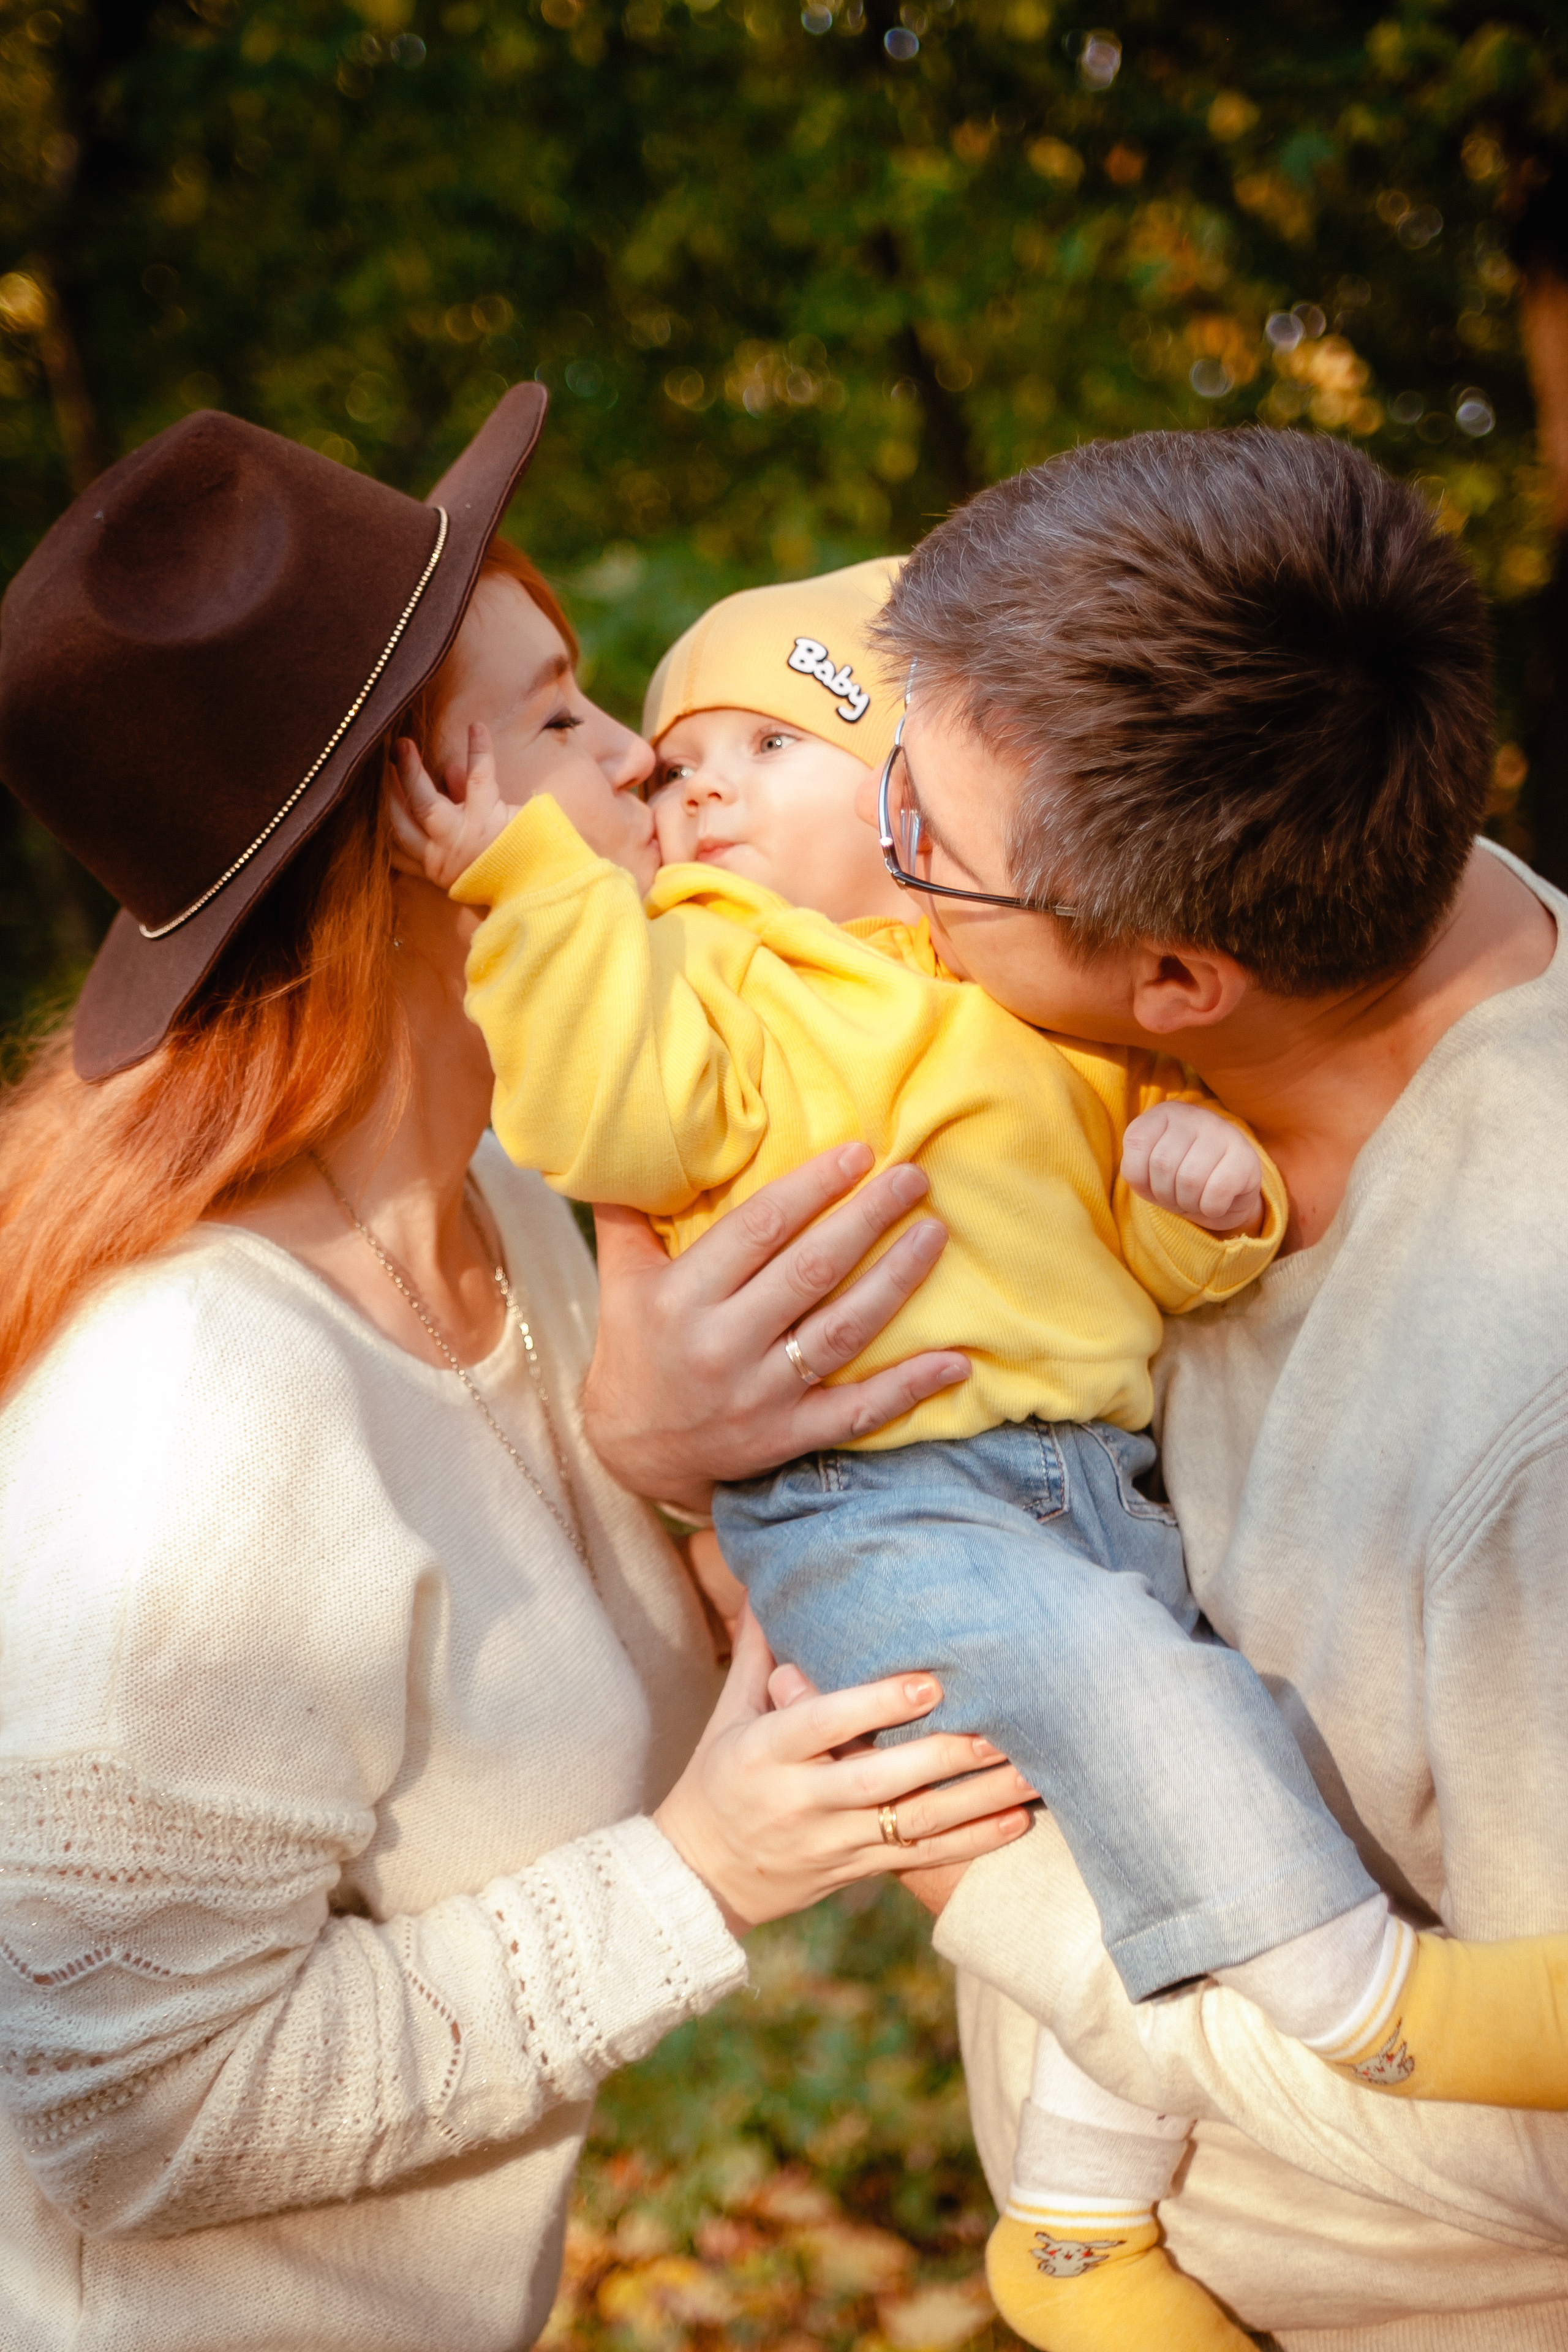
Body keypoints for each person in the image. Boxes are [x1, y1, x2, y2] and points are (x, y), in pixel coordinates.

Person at [392, 503, 1568, 2352]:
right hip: (936, 1559)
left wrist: (981, 1890)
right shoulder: (1185, 820)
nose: (881, 852)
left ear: (1172, 977)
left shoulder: (1527, 1389)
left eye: (918, 839)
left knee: (1153, 1691)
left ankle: (1286, 2056)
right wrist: (661, 1443)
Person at [0, 389, 1038, 2352]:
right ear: (414, 837)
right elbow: (117, 2120)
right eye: (565, 717)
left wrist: (657, 1456)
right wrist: (700, 1874)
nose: (651, 757)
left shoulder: (530, 1214)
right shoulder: (188, 1414)